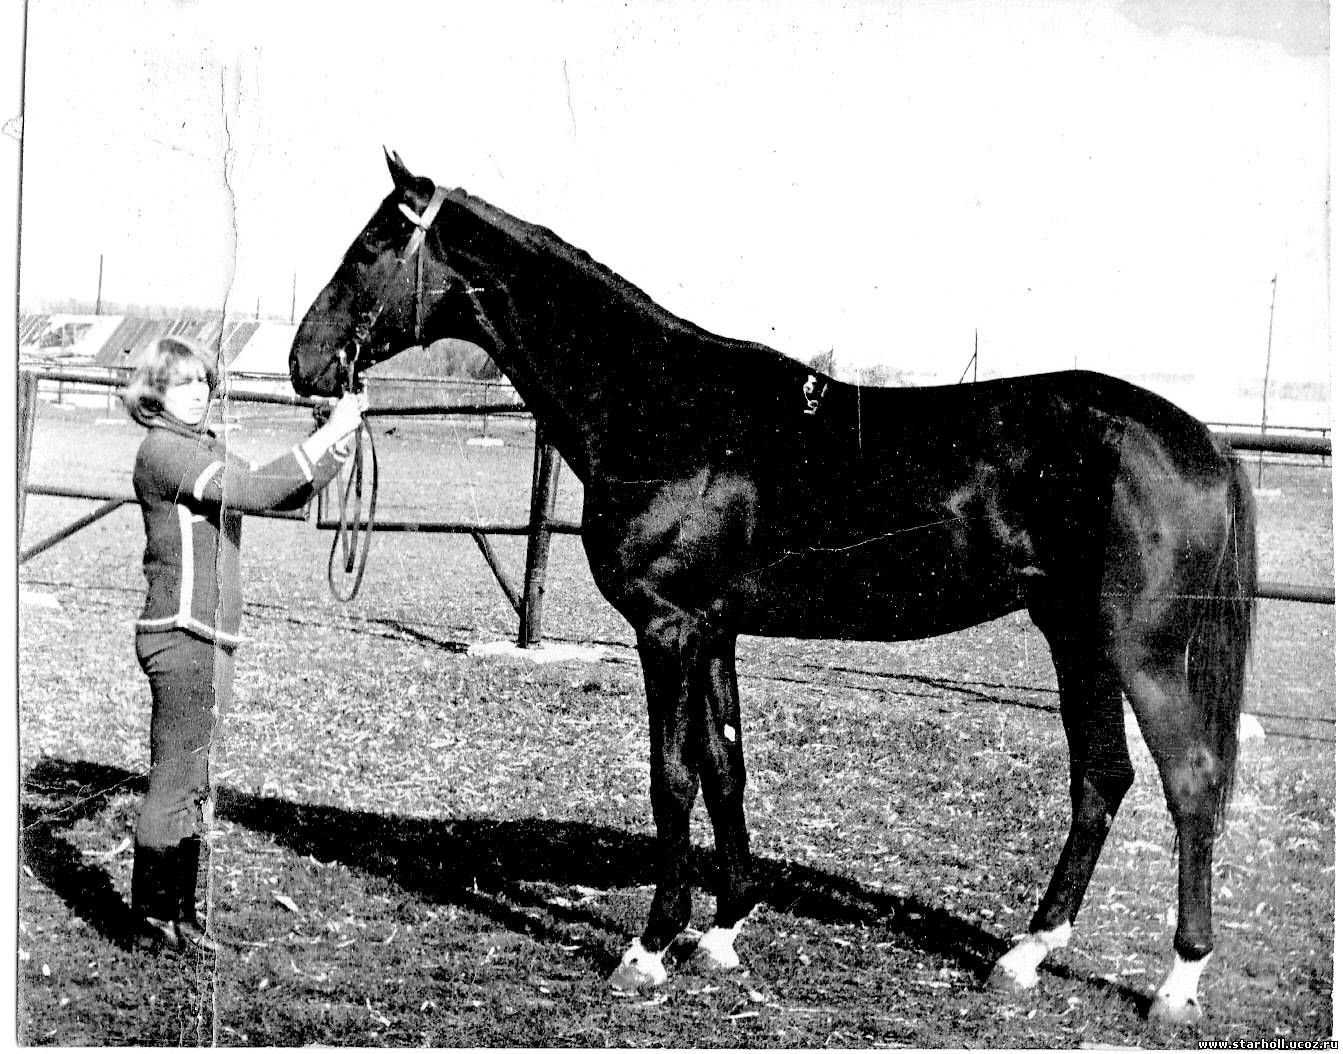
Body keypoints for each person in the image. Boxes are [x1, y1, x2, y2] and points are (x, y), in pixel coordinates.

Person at [122, 335, 367, 953]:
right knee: (177, 778)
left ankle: (177, 916)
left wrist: (335, 441)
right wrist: (325, 433)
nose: (198, 392)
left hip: (209, 636)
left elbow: (283, 493)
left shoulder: (199, 448)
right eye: (183, 383)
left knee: (193, 779)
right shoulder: (163, 450)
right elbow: (255, 489)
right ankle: (153, 918)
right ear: (154, 392)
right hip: (181, 634)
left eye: (203, 381)